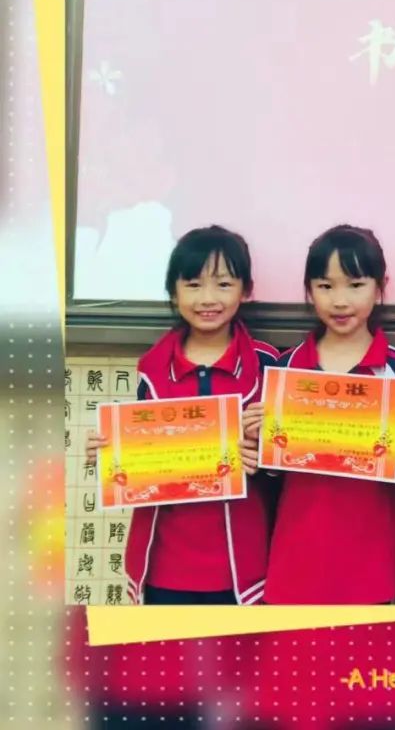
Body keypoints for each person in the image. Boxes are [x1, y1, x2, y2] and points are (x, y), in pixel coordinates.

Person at [85, 225, 278, 605]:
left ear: (246, 290)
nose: (208, 298)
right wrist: (110, 455)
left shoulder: (267, 365)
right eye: (193, 284)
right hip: (164, 563)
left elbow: (287, 465)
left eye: (224, 284)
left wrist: (264, 456)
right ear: (173, 292)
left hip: (242, 567)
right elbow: (141, 467)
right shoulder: (152, 369)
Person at [248, 224, 395, 604]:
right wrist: (258, 440)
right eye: (326, 286)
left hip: (370, 557)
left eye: (355, 285)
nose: (340, 301)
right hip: (298, 553)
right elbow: (274, 473)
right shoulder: (286, 368)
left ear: (380, 287)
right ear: (309, 291)